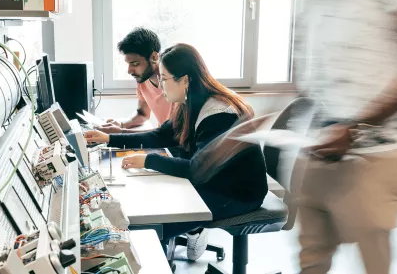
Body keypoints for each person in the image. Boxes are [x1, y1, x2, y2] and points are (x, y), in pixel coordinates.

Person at [293, 0, 397, 273]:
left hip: (372, 157)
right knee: (310, 262)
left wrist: (357, 127)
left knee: (374, 265)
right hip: (317, 148)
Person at [85, 43, 269, 261]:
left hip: (237, 193)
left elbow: (197, 169)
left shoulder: (218, 113)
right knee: (154, 206)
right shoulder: (188, 102)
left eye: (164, 79)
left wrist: (148, 160)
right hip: (216, 182)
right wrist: (109, 138)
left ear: (185, 80)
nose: (160, 86)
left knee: (154, 222)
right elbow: (159, 136)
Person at [101, 27, 174, 134]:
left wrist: (121, 133)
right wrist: (121, 124)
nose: (129, 71)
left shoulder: (175, 82)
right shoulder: (143, 80)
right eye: (128, 64)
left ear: (154, 57)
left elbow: (170, 133)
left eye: (135, 64)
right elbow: (143, 114)